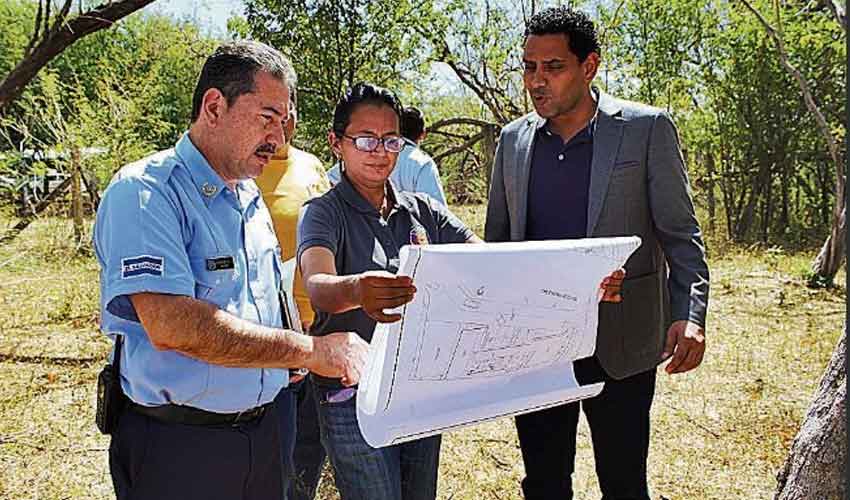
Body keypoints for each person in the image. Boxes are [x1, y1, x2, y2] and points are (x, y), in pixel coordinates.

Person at [297, 82, 625, 500]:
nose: (379, 151)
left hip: (420, 386)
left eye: (390, 139)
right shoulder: (323, 212)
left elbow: (496, 267)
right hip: (351, 394)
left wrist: (584, 284)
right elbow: (318, 284)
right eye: (365, 139)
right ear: (336, 143)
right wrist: (358, 289)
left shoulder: (422, 211)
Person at [93, 40, 368, 500]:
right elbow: (172, 324)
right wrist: (309, 350)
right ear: (214, 106)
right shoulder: (146, 193)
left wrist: (287, 348)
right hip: (181, 448)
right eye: (267, 117)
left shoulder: (247, 195)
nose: (279, 139)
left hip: (266, 433)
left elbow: (257, 296)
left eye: (283, 123)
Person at [484, 7, 710, 500]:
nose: (537, 81)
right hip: (539, 346)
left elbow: (680, 234)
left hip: (623, 341)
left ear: (589, 67)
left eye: (553, 67)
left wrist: (690, 314)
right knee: (543, 481)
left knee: (624, 481)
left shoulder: (646, 129)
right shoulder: (512, 142)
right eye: (529, 67)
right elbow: (497, 248)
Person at [256, 87, 331, 500]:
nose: (282, 124)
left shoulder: (312, 166)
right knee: (273, 450)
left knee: (308, 446)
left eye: (289, 113)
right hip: (268, 336)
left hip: (317, 330)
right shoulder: (242, 167)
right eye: (271, 113)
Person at [327, 105, 447, 204]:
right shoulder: (422, 163)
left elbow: (328, 182)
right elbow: (437, 211)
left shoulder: (361, 155)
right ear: (423, 134)